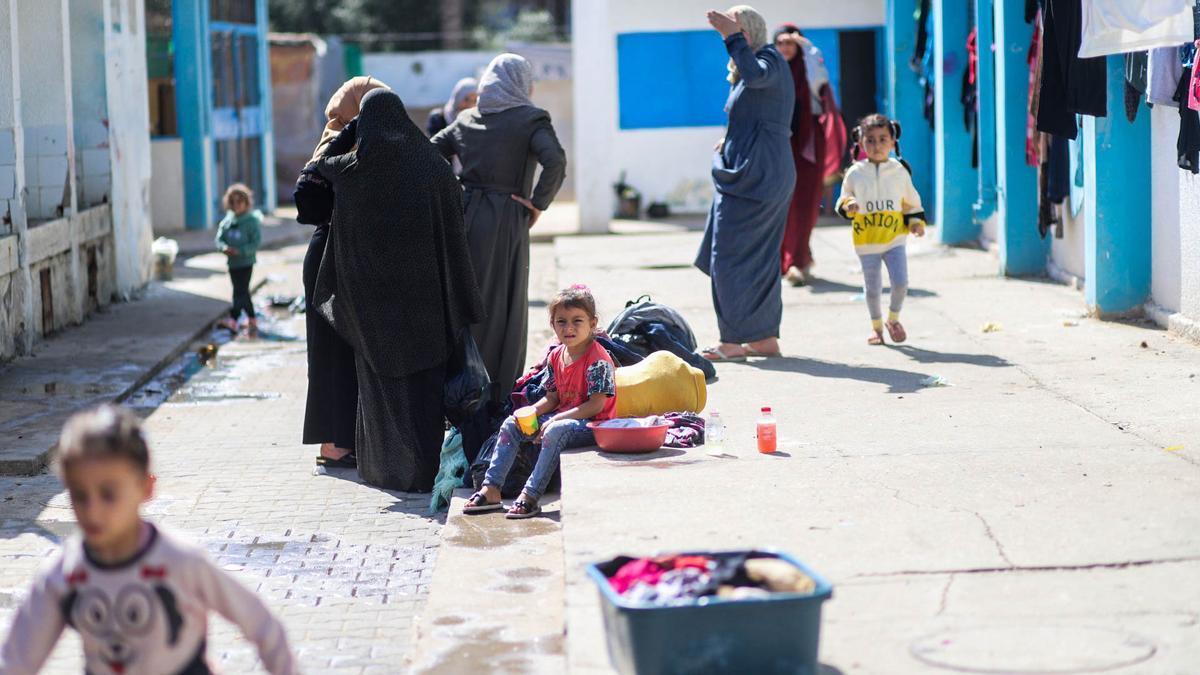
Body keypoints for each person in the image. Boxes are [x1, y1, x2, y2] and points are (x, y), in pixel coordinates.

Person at [0, 405, 297, 674]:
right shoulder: (65, 573)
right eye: (79, 495)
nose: (93, 511)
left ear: (145, 487)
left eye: (109, 494)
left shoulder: (180, 560)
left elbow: (262, 625)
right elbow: (16, 660)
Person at [314, 89, 485, 492]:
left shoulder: (354, 170)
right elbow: (453, 234)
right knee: (424, 394)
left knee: (381, 393)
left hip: (373, 309)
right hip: (427, 305)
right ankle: (424, 472)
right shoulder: (433, 168)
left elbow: (320, 164)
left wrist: (349, 128)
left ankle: (386, 471)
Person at [431, 53, 567, 408]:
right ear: (520, 83)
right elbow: (555, 160)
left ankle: (460, 388)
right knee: (503, 304)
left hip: (465, 216)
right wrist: (538, 203)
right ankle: (495, 393)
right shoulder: (530, 119)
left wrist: (454, 194)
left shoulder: (466, 119)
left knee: (468, 301)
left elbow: (429, 153)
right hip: (507, 218)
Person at [295, 76, 389, 469]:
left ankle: (343, 439)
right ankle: (334, 444)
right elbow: (309, 204)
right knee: (331, 349)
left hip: (341, 254)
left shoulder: (356, 141)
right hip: (331, 257)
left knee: (345, 348)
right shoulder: (338, 142)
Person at [463, 285, 616, 519]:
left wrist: (555, 418)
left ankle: (531, 496)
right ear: (552, 324)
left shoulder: (598, 359)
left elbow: (596, 405)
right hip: (563, 419)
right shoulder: (556, 355)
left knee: (555, 429)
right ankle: (491, 488)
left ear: (593, 324)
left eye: (577, 321)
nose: (569, 328)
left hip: (594, 426)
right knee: (511, 425)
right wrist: (531, 411)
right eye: (561, 321)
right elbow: (553, 397)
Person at [695, 6, 796, 362]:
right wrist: (731, 141)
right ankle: (763, 337)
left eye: (736, 30)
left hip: (756, 177)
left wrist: (732, 36)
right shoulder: (763, 65)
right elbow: (757, 113)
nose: (728, 39)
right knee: (755, 258)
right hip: (759, 171)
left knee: (729, 258)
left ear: (748, 32)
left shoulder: (768, 60)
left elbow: (755, 78)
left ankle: (733, 341)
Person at [835, 113, 927, 345]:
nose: (877, 145)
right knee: (873, 289)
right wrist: (850, 205)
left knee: (900, 283)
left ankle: (893, 319)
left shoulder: (899, 171)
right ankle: (876, 327)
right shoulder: (855, 173)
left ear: (893, 141)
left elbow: (911, 201)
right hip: (867, 242)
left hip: (894, 239)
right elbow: (843, 199)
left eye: (883, 139)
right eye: (871, 140)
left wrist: (915, 222)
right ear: (861, 142)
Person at [774, 24, 822, 288]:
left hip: (807, 147)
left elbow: (819, 78)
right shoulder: (770, 69)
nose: (785, 47)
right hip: (779, 146)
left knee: (804, 204)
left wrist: (807, 46)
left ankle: (797, 261)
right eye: (780, 42)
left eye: (790, 42)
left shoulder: (809, 71)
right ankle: (785, 259)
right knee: (780, 204)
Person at [214, 183, 262, 334]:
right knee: (242, 291)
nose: (236, 205)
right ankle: (252, 319)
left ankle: (233, 320)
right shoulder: (227, 221)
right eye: (232, 202)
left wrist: (240, 251)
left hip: (246, 262)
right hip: (232, 263)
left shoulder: (251, 221)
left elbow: (255, 243)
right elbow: (219, 239)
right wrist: (223, 248)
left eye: (239, 201)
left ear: (247, 203)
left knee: (239, 292)